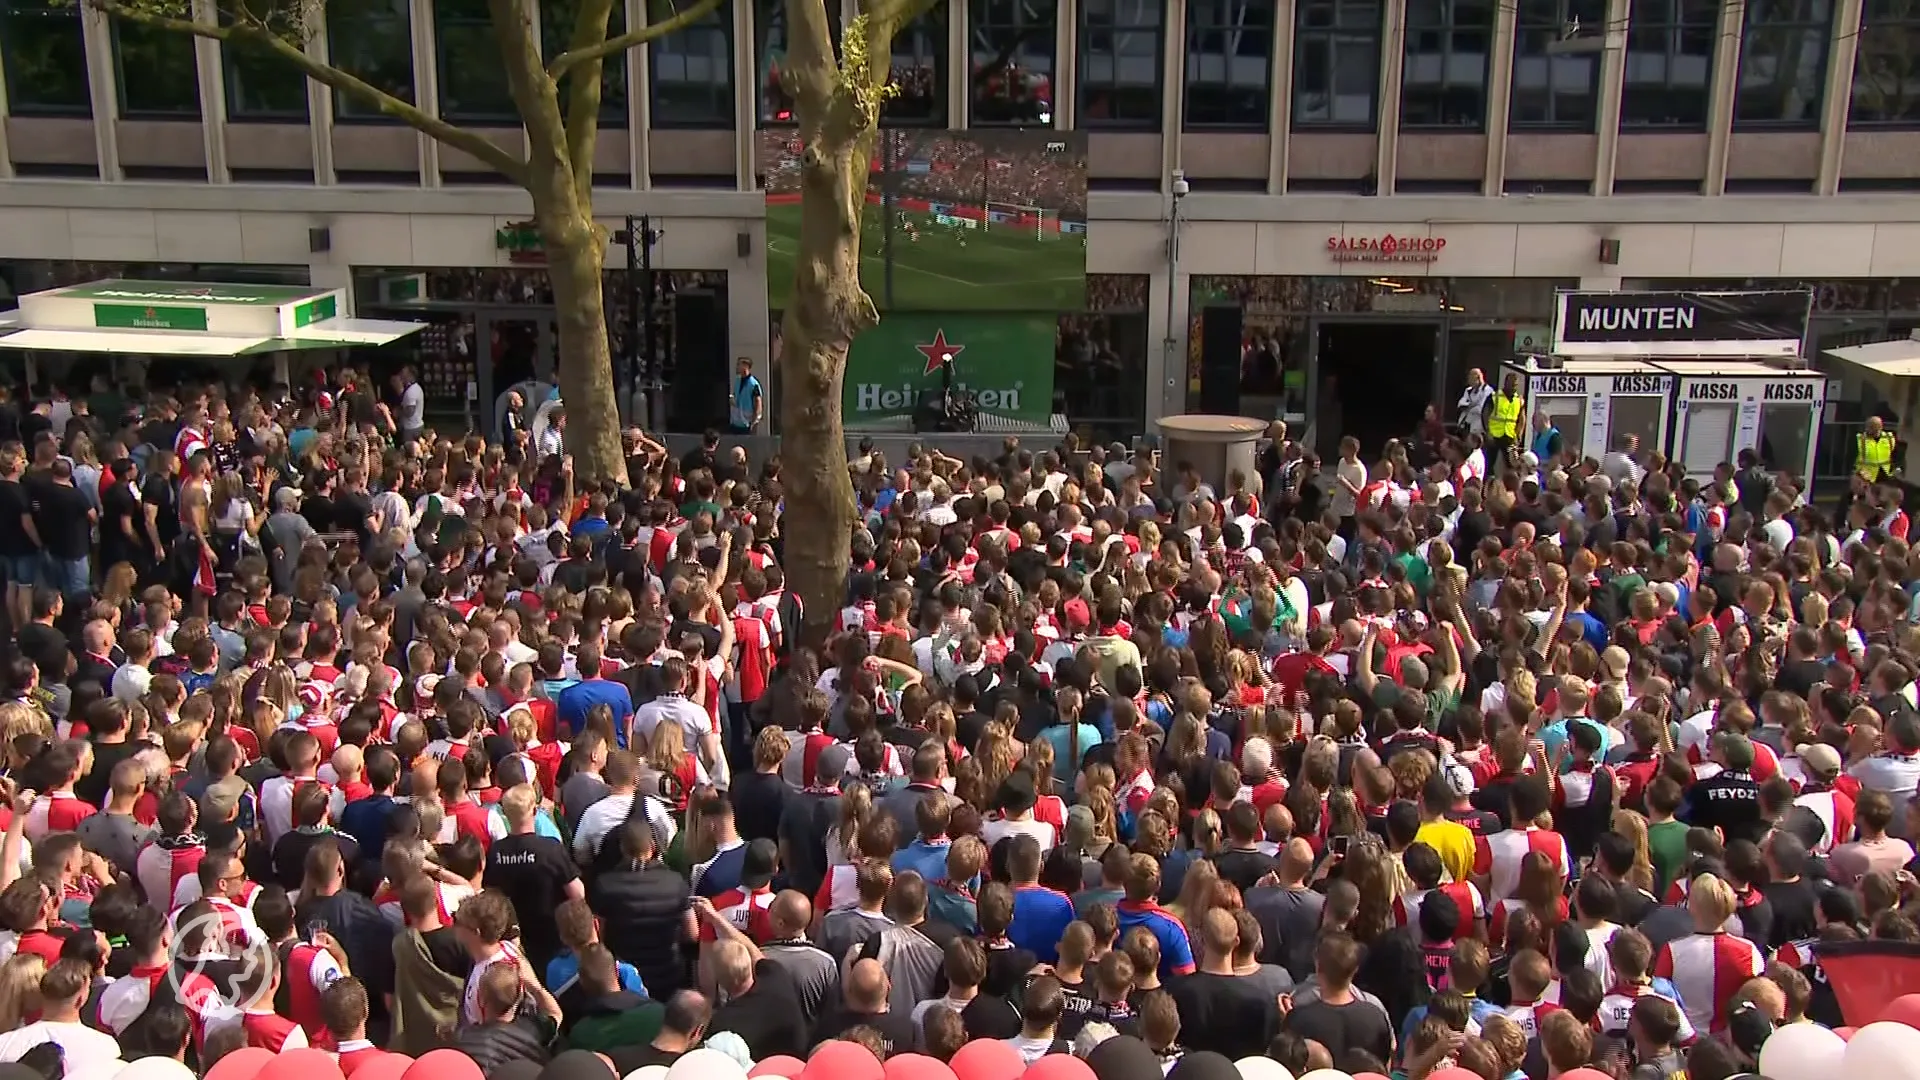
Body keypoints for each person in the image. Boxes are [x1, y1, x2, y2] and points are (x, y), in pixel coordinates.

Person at [731, 358, 764, 434]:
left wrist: (754, 422)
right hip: (736, 422)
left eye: (739, 365)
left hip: (746, 424)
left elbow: (758, 403)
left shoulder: (753, 384)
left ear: (745, 366)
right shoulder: (738, 381)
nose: (737, 367)